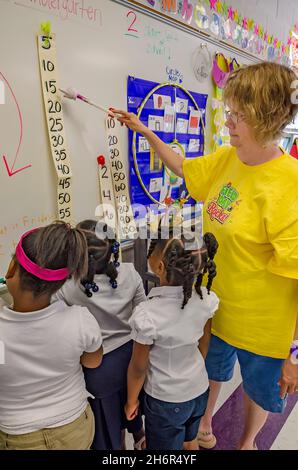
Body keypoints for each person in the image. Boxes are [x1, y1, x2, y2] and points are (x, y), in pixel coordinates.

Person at [114, 61, 298, 450]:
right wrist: (146, 132)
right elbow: (183, 167)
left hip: (266, 326)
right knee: (210, 372)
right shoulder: (229, 158)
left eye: (238, 115)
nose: (229, 122)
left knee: (256, 390)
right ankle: (204, 425)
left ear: (266, 119)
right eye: (228, 112)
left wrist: (295, 352)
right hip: (214, 308)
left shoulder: (290, 185)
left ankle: (247, 441)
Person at [0, 222, 103, 450]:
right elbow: (92, 361)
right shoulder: (80, 321)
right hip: (75, 426)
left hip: (19, 437)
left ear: (11, 269)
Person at [125, 223, 219, 450]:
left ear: (159, 266)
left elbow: (138, 367)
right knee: (190, 442)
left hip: (165, 400)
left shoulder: (147, 315)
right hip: (198, 390)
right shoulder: (207, 299)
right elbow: (204, 343)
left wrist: (131, 401)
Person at [54, 220, 146, 450]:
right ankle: (140, 437)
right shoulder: (130, 273)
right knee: (131, 402)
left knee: (108, 427)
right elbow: (144, 314)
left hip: (98, 368)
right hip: (133, 358)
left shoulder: (68, 288)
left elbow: (60, 327)